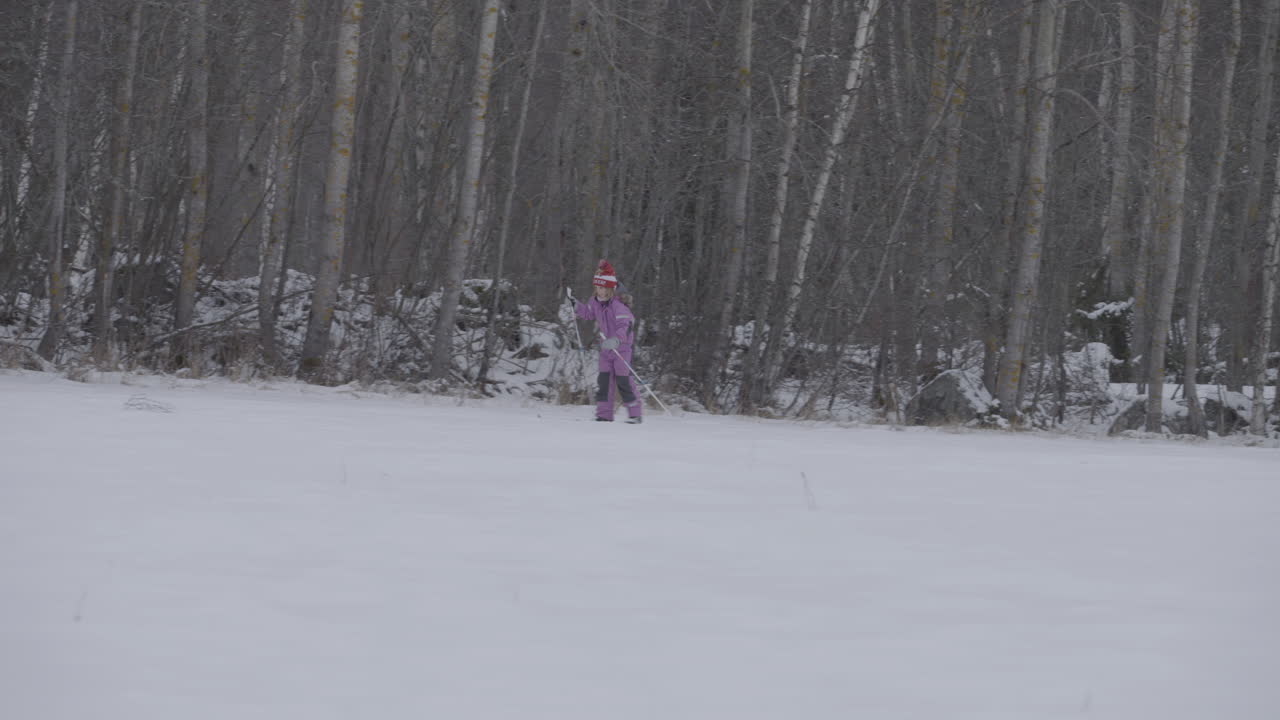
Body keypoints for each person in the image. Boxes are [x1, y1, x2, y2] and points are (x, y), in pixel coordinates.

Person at [573, 260, 643, 423]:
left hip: (621, 349)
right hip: (605, 349)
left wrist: (617, 340)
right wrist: (575, 305)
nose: (600, 291)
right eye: (597, 288)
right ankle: (604, 414)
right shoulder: (595, 302)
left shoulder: (619, 306)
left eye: (603, 288)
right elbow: (588, 313)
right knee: (604, 381)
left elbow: (625, 325)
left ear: (611, 289)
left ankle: (635, 413)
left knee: (623, 380)